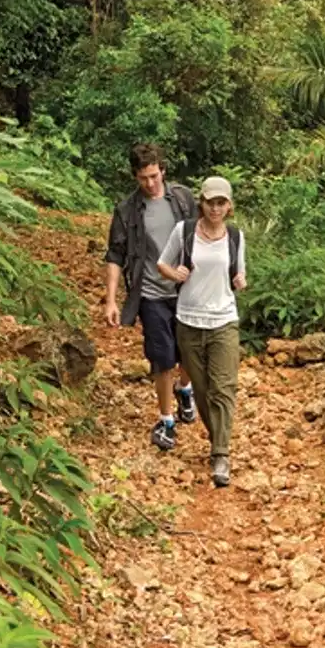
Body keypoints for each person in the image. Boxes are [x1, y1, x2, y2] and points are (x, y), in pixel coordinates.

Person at [103, 143, 199, 452]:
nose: (150, 183)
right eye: (143, 178)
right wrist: (111, 299)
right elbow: (115, 255)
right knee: (161, 356)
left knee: (187, 352)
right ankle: (166, 420)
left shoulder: (182, 199)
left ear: (163, 170)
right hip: (151, 292)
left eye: (154, 176)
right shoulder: (127, 210)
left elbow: (206, 236)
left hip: (186, 289)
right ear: (135, 176)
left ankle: (185, 390)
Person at [157, 176, 247, 488]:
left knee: (224, 387)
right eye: (211, 202)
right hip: (189, 319)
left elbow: (239, 271)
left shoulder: (235, 235)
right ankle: (217, 437)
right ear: (202, 203)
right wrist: (175, 272)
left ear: (229, 206)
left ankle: (220, 453)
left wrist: (240, 281)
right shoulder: (184, 232)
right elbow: (162, 264)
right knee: (204, 389)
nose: (216, 208)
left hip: (224, 320)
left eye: (221, 203)